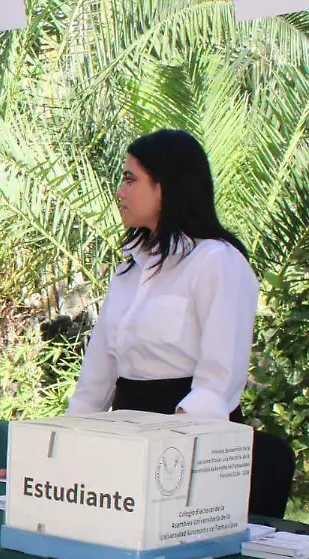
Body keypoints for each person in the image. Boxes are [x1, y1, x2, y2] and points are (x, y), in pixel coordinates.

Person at [68, 128, 294, 517]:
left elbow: (218, 383)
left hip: (192, 451)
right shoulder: (129, 269)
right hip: (126, 438)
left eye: (130, 179)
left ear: (165, 186)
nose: (120, 192)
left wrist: (160, 450)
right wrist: (55, 455)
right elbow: (95, 383)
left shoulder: (217, 262)